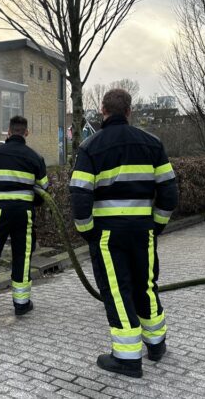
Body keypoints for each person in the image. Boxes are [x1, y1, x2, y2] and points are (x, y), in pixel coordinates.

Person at [69, 89, 178, 378]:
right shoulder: (152, 143)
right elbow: (169, 189)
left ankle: (128, 358)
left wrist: (87, 231)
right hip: (143, 230)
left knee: (117, 290)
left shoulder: (90, 146)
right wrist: (157, 224)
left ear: (103, 111)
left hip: (107, 233)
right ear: (129, 112)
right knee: (145, 284)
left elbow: (79, 194)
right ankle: (156, 344)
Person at [0, 116, 49, 319]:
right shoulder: (35, 157)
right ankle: (21, 304)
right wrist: (30, 201)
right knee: (22, 255)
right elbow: (43, 188)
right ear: (26, 133)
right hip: (24, 213)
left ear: (8, 131)